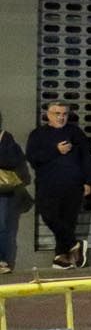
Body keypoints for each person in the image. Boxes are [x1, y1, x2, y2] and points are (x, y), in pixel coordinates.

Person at [26, 101, 91, 269]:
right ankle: (74, 244)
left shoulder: (75, 133)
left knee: (68, 220)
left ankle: (60, 257)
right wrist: (56, 150)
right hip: (48, 183)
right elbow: (33, 158)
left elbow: (87, 157)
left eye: (64, 114)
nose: (61, 117)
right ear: (48, 115)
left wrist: (88, 181)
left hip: (73, 184)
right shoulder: (38, 134)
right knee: (49, 215)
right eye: (57, 113)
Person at [0, 110, 26, 276]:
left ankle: (1, 260)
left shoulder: (5, 137)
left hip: (1, 190)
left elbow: (14, 161)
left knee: (1, 226)